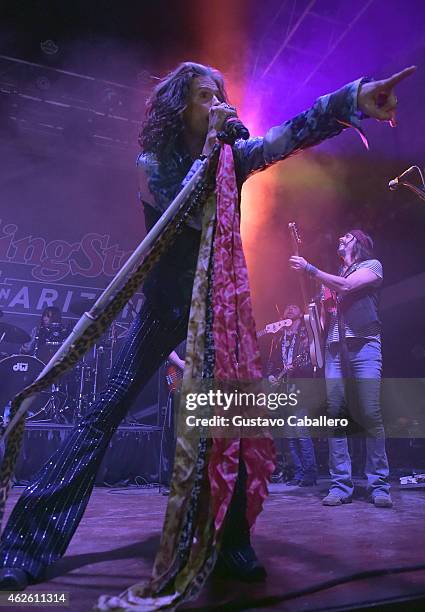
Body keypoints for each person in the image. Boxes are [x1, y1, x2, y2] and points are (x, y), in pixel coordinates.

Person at [0, 62, 413, 593]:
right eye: (203, 96)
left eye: (220, 94)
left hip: (216, 309)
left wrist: (350, 99)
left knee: (232, 424)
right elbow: (182, 206)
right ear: (181, 107)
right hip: (166, 307)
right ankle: (27, 546)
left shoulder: (232, 157)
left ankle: (229, 542)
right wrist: (215, 149)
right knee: (100, 416)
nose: (217, 101)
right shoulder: (153, 162)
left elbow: (287, 135)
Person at [290, 230, 392, 508]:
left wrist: (311, 269)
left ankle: (379, 485)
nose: (341, 239)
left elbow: (346, 287)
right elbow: (323, 319)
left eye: (347, 236)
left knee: (370, 412)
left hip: (364, 344)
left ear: (359, 242)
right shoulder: (333, 278)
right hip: (335, 348)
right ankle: (340, 485)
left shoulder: (372, 266)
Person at [267, 303, 317, 486]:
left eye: (294, 307)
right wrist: (271, 375)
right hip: (283, 390)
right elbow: (272, 361)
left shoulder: (305, 334)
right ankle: (298, 473)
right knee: (289, 435)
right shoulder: (279, 338)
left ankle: (310, 474)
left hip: (300, 388)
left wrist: (296, 368)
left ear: (300, 313)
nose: (289, 309)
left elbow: (311, 361)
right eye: (287, 307)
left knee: (301, 432)